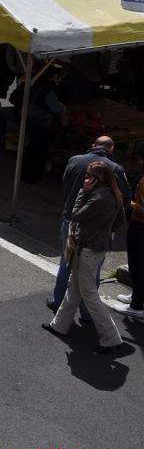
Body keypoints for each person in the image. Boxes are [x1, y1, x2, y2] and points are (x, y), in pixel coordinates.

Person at [44, 160, 126, 353]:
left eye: (90, 176)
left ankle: (112, 338)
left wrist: (83, 191)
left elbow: (76, 215)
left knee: (89, 294)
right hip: (96, 248)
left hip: (87, 249)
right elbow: (120, 221)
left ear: (98, 179)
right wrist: (103, 231)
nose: (87, 179)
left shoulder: (97, 197)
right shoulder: (114, 195)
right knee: (74, 287)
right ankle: (59, 325)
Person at [49, 136, 131, 314]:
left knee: (67, 262)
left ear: (93, 145)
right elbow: (124, 200)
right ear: (111, 149)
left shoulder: (74, 161)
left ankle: (58, 301)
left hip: (71, 221)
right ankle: (86, 310)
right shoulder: (116, 169)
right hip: (99, 229)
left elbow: (65, 186)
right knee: (93, 269)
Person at [112, 171, 144, 318]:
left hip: (140, 226)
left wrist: (131, 204)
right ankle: (136, 296)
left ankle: (136, 305)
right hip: (138, 225)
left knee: (137, 265)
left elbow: (141, 206)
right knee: (137, 265)